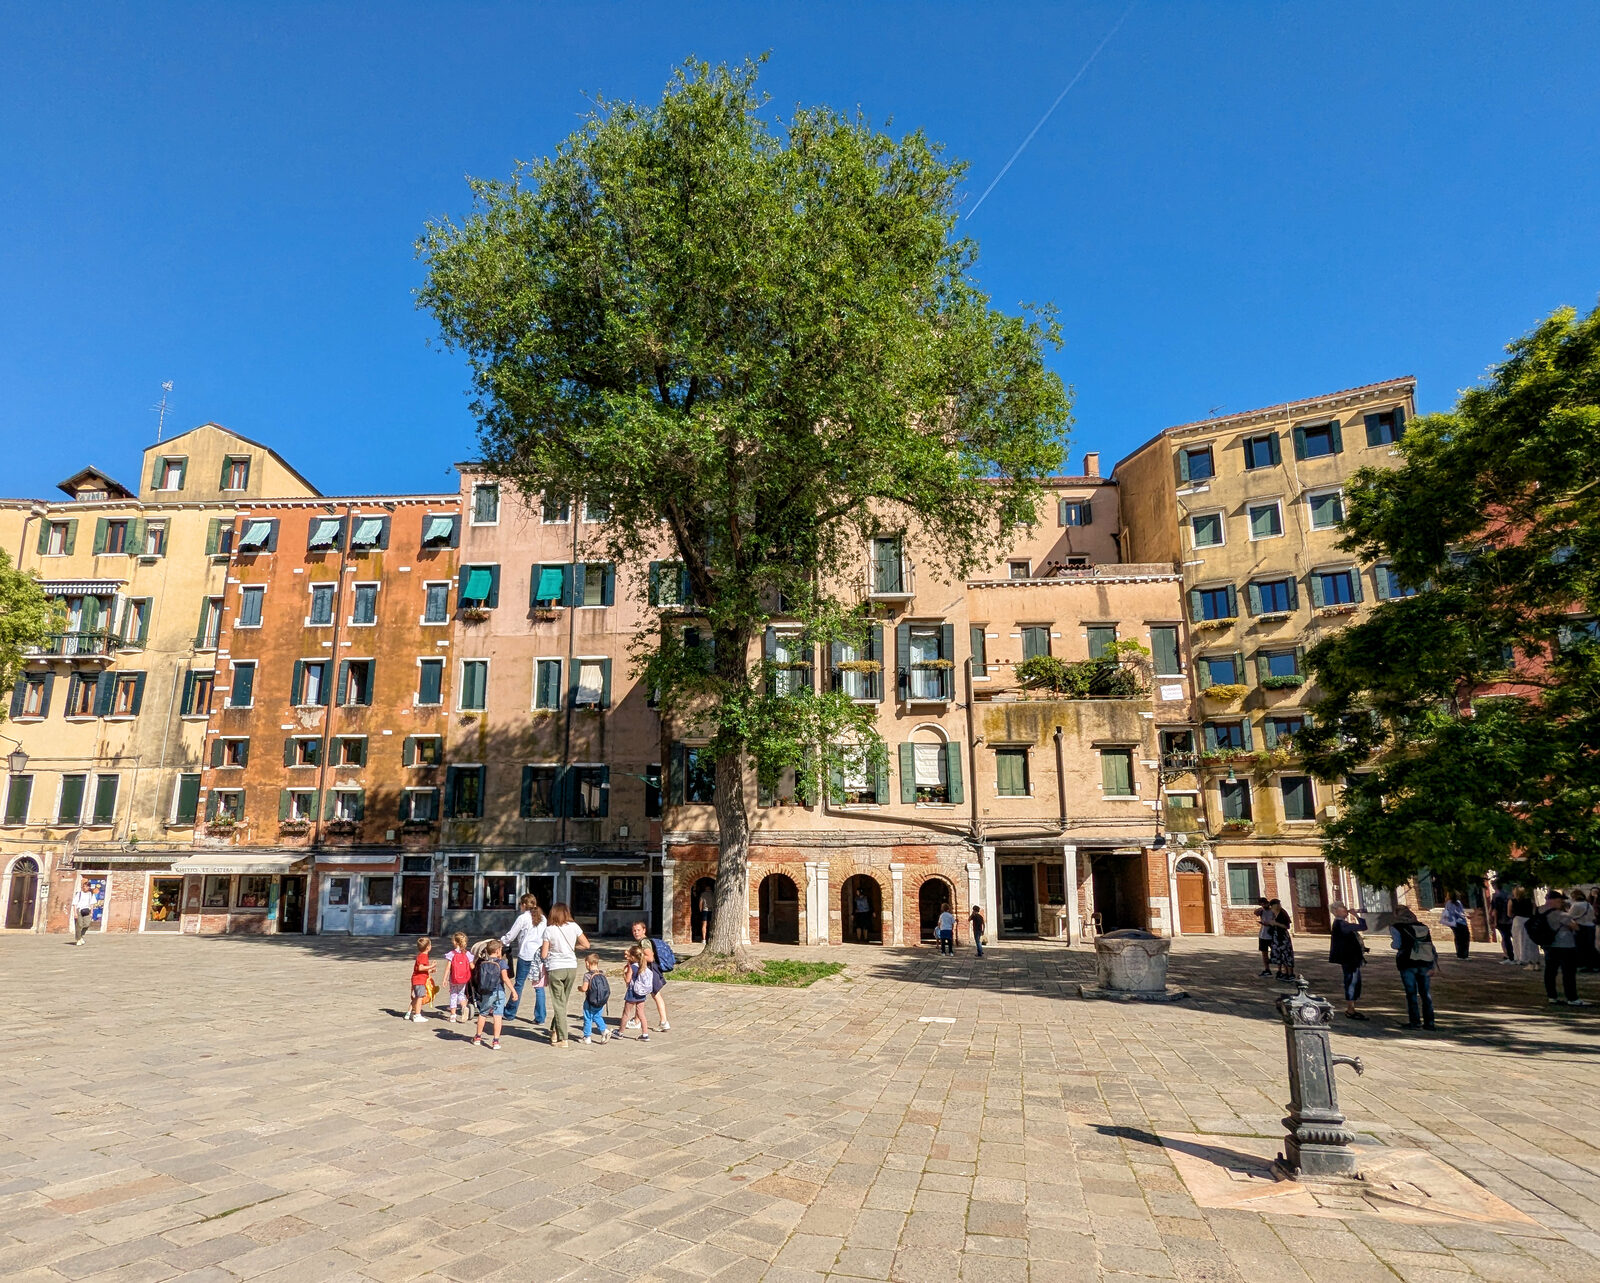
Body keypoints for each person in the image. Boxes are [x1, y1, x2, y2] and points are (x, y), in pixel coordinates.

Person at [540, 903, 589, 1046]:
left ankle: (563, 1038)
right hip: (571, 967)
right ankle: (555, 1030)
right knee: (562, 1001)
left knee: (558, 1003)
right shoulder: (574, 926)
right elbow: (586, 945)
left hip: (556, 968)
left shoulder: (549, 930)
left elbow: (544, 954)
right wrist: (572, 947)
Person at [501, 895, 548, 1025]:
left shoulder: (523, 918)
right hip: (539, 955)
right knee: (539, 987)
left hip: (526, 954)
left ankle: (510, 1013)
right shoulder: (543, 918)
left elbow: (511, 935)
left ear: (523, 905)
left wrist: (502, 941)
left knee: (519, 984)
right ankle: (540, 1017)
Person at [1389, 905, 1438, 1030]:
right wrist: (1433, 965)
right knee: (1425, 993)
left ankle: (1415, 1022)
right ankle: (1430, 1022)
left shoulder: (1396, 927)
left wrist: (1393, 944)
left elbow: (1397, 944)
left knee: (1411, 993)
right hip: (1425, 963)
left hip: (1407, 962)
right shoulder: (1423, 927)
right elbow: (1431, 947)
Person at [1538, 891, 1590, 1007]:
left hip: (1549, 945)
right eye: (1559, 900)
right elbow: (1575, 927)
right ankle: (1572, 998)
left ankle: (1552, 996)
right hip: (1565, 946)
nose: (1561, 902)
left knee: (1550, 972)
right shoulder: (1560, 914)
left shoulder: (1539, 911)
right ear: (1554, 900)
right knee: (1568, 973)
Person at [471, 940, 517, 1049]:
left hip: (487, 992)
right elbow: (505, 978)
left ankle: (478, 1037)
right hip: (499, 991)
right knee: (497, 1016)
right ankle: (496, 1041)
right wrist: (513, 991)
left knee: (483, 1014)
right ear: (497, 951)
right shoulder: (501, 963)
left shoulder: (484, 962)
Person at [1327, 901, 1369, 1019]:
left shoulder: (1342, 923)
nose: (1346, 910)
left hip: (1351, 957)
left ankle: (1352, 1007)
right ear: (1336, 912)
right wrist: (1356, 915)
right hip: (1348, 958)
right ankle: (1350, 1009)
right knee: (1351, 981)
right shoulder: (1341, 924)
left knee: (1354, 981)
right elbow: (1363, 927)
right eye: (1343, 909)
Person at [630, 920, 671, 1032]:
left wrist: (634, 956)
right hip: (648, 972)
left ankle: (663, 1021)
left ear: (644, 930)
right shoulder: (642, 942)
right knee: (642, 994)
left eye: (638, 930)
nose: (636, 932)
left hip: (650, 972)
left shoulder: (644, 942)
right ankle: (637, 1020)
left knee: (653, 995)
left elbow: (650, 957)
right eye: (634, 930)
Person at [620, 945, 654, 1041]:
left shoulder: (632, 967)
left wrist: (625, 973)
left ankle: (620, 1032)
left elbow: (628, 980)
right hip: (641, 993)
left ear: (633, 957)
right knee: (641, 1014)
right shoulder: (643, 966)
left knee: (626, 1013)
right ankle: (645, 1034)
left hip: (632, 992)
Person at [578, 953, 611, 1044]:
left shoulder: (587, 975)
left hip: (590, 1000)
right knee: (597, 1016)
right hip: (601, 1000)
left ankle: (588, 1037)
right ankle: (604, 1031)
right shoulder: (602, 973)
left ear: (588, 963)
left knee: (588, 1017)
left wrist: (579, 988)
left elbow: (584, 988)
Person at [443, 932, 473, 1022]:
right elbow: (472, 966)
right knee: (461, 994)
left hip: (453, 978)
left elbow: (448, 967)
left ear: (455, 942)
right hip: (463, 979)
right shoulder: (467, 954)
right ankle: (464, 1008)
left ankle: (453, 1016)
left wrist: (445, 979)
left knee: (453, 995)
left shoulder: (451, 954)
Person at [1569, 890, 1598, 973]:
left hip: (1580, 927)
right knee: (1590, 947)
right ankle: (1593, 965)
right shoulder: (1589, 905)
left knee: (1581, 947)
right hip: (1591, 927)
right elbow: (1592, 917)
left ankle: (1584, 964)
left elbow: (1569, 916)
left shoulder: (1576, 905)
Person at [408, 937, 434, 1022]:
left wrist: (430, 970)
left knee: (416, 997)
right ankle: (417, 1015)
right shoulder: (423, 956)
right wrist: (431, 966)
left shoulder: (421, 955)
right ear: (428, 947)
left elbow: (421, 969)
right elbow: (420, 968)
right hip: (419, 980)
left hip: (417, 979)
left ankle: (409, 1013)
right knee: (420, 997)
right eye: (430, 944)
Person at [1269, 900, 1296, 980]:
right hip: (1276, 936)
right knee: (1280, 955)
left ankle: (1290, 974)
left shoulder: (1282, 913)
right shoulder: (1274, 913)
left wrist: (1276, 924)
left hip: (1283, 937)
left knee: (1287, 954)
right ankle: (1284, 972)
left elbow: (1287, 926)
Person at [1490, 879, 1516, 963]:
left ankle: (1509, 956)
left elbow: (1495, 910)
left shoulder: (1496, 896)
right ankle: (1514, 954)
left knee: (1506, 938)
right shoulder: (1508, 895)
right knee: (1512, 937)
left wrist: (1495, 922)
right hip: (1510, 919)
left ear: (1494, 886)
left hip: (1501, 920)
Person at [1511, 886, 1537, 967]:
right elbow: (1534, 911)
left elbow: (1509, 913)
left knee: (1518, 939)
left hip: (1518, 920)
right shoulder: (1530, 901)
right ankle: (1530, 957)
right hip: (1528, 920)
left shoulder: (1512, 901)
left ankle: (1520, 957)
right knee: (1529, 939)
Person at [1440, 893, 1471, 960]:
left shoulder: (1448, 903)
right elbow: (1459, 913)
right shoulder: (1458, 902)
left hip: (1453, 923)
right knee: (1465, 938)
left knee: (1458, 938)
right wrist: (1466, 915)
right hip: (1460, 922)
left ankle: (1459, 955)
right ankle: (1464, 955)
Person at [70, 881, 98, 945]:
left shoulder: (91, 894)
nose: (85, 888)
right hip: (79, 910)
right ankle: (78, 939)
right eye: (84, 886)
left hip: (87, 910)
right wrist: (75, 913)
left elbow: (92, 904)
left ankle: (81, 935)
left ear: (89, 887)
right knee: (79, 925)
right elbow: (74, 904)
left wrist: (91, 912)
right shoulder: (79, 894)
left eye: (87, 886)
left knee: (87, 924)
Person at [1254, 898, 1275, 976]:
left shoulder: (1273, 911)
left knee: (1276, 951)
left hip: (1271, 935)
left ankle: (1281, 969)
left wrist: (1269, 924)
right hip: (1263, 935)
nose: (1263, 905)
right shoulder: (1262, 911)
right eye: (1261, 904)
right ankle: (1267, 969)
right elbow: (1255, 913)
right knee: (1264, 953)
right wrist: (1261, 908)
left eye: (1264, 904)